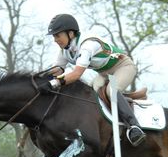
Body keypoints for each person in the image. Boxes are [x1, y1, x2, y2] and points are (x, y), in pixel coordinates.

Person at [41, 13, 145, 146]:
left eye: (57, 35)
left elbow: (76, 74)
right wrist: (41, 78)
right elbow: (58, 69)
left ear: (71, 33)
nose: (55, 39)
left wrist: (54, 83)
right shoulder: (65, 50)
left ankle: (134, 127)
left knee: (111, 90)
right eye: (54, 36)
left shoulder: (87, 45)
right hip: (103, 73)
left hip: (123, 67)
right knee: (90, 94)